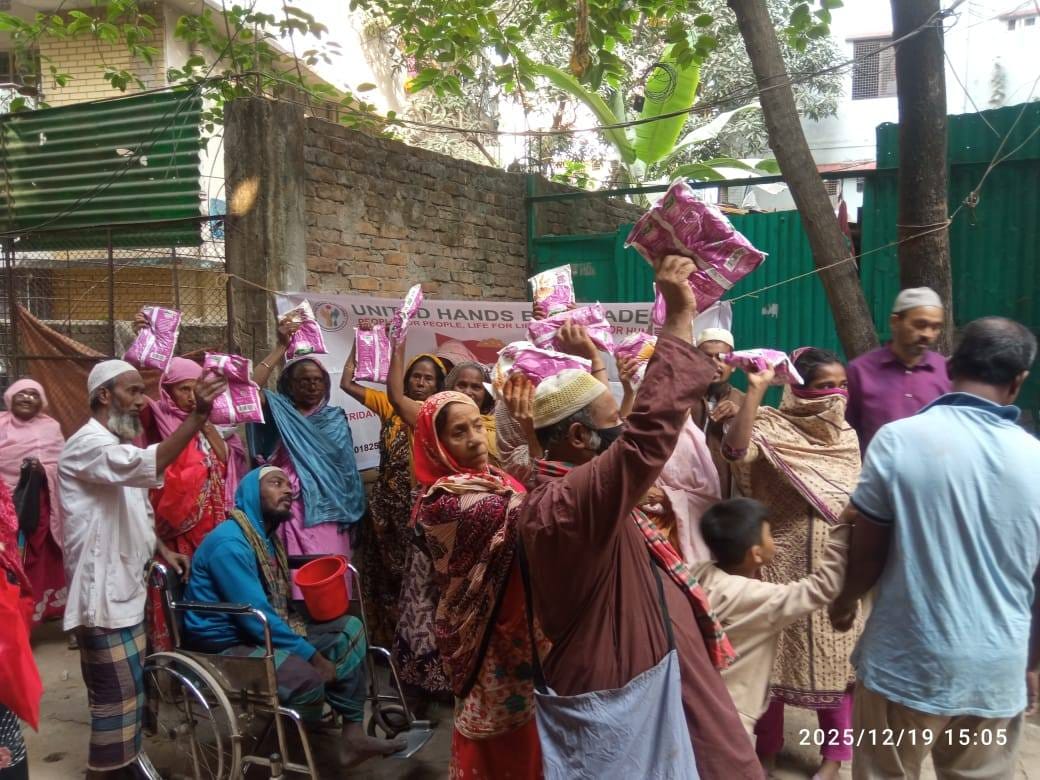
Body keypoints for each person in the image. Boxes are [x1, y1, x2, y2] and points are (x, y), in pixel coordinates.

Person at [518, 255, 761, 779]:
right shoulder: (562, 504)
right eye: (614, 426)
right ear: (581, 439)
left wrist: (596, 368)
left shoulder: (578, 487)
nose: (623, 430)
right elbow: (645, 439)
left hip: (662, 660)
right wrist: (678, 318)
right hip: (626, 681)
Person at [829, 317, 1040, 780]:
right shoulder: (1035, 459)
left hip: (906, 663)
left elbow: (869, 548)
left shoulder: (899, 441)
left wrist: (845, 601)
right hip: (996, 669)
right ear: (1017, 381)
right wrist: (1030, 661)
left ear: (951, 367)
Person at [60, 359, 226, 778]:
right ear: (104, 396)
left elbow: (135, 509)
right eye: (133, 391)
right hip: (102, 600)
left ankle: (125, 766)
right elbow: (149, 466)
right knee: (115, 702)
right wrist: (198, 417)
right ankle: (108, 772)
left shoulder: (119, 445)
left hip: (126, 592)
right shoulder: (87, 444)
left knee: (130, 698)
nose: (143, 401)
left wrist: (160, 550)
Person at [183, 467, 406, 767]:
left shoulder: (265, 537)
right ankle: (294, 734)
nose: (287, 491)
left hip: (260, 627)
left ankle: (353, 737)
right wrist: (311, 656)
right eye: (276, 484)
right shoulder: (230, 543)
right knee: (308, 678)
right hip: (226, 644)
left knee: (350, 631)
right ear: (251, 494)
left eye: (289, 486)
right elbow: (254, 617)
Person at [723, 347, 861, 780]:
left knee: (839, 665)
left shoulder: (847, 437)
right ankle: (766, 750)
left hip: (835, 567)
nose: (835, 395)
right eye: (824, 387)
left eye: (841, 386)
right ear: (799, 390)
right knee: (773, 663)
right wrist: (755, 392)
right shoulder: (767, 424)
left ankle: (836, 757)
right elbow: (735, 449)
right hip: (777, 565)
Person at [411, 390, 545, 779]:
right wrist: (535, 440)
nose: (475, 439)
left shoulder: (494, 479)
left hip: (521, 624)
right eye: (458, 432)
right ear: (435, 445)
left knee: (531, 732)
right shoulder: (446, 502)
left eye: (477, 426)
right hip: (487, 636)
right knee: (497, 740)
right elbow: (542, 512)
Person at [341, 330, 449, 697]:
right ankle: (388, 651)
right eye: (415, 376)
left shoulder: (441, 416)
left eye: (428, 378)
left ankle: (423, 660)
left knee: (418, 589)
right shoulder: (390, 406)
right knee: (384, 583)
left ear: (439, 385)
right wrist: (359, 343)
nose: (420, 382)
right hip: (386, 513)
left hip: (420, 516)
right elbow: (346, 382)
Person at [693, 498, 850, 737]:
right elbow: (823, 587)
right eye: (769, 534)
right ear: (756, 554)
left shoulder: (699, 573)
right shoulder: (758, 599)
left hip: (698, 700)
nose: (774, 540)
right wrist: (842, 527)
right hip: (734, 714)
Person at [251, 319, 367, 601]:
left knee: (330, 578)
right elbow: (250, 389)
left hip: (331, 511)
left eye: (318, 380)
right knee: (293, 578)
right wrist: (281, 347)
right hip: (292, 508)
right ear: (289, 386)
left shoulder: (335, 418)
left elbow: (346, 472)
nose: (312, 386)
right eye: (304, 380)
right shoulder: (279, 411)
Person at [139, 356, 244, 651]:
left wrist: (206, 423)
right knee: (180, 593)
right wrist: (143, 344)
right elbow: (133, 394)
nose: (190, 396)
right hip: (177, 533)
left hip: (215, 526)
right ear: (167, 391)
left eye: (195, 388)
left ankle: (216, 651)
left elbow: (226, 463)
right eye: (182, 389)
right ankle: (180, 658)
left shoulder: (212, 424)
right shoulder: (158, 419)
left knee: (216, 590)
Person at [617, 354, 721, 564]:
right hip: (636, 536)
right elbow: (619, 451)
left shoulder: (695, 443)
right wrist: (628, 392)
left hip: (679, 544)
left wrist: (665, 496)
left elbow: (709, 500)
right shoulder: (643, 433)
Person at [845, 287, 950, 452]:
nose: (928, 334)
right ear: (895, 322)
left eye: (935, 327)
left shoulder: (946, 371)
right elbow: (847, 433)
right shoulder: (860, 371)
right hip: (877, 475)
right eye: (920, 324)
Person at [0, 379, 66, 624]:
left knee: (52, 563)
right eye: (21, 394)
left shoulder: (51, 427)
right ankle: (18, 621)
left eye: (33, 394)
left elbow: (64, 465)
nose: (27, 398)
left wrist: (44, 470)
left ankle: (60, 616)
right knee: (13, 561)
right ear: (10, 398)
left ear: (41, 401)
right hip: (6, 506)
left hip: (46, 508)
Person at [689, 328, 744, 498]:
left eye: (721, 358)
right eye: (707, 357)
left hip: (727, 495)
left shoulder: (744, 402)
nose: (714, 364)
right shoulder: (680, 398)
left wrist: (740, 416)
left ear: (733, 365)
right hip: (686, 490)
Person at [443, 361, 500, 465]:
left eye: (476, 387)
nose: (468, 392)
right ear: (451, 388)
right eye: (462, 385)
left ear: (486, 394)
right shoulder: (441, 423)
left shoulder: (500, 427)